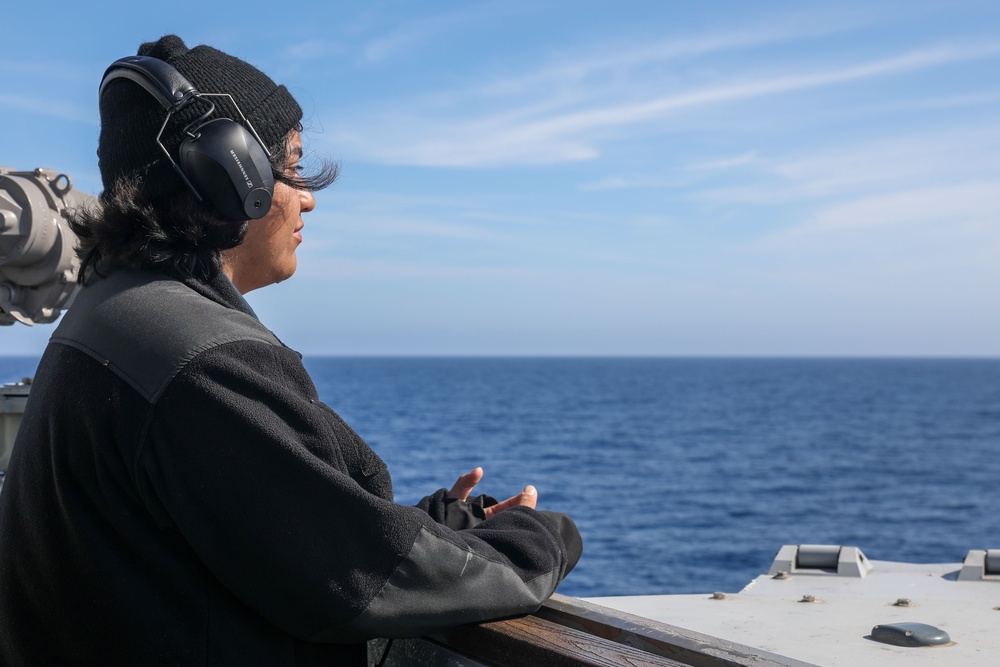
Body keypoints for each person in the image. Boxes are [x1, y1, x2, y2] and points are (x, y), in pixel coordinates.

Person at [0, 35, 581, 666]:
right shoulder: (201, 359)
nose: (306, 197)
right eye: (292, 167)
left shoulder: (114, 315)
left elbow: (263, 533)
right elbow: (355, 585)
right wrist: (536, 540)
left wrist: (440, 528)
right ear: (230, 177)